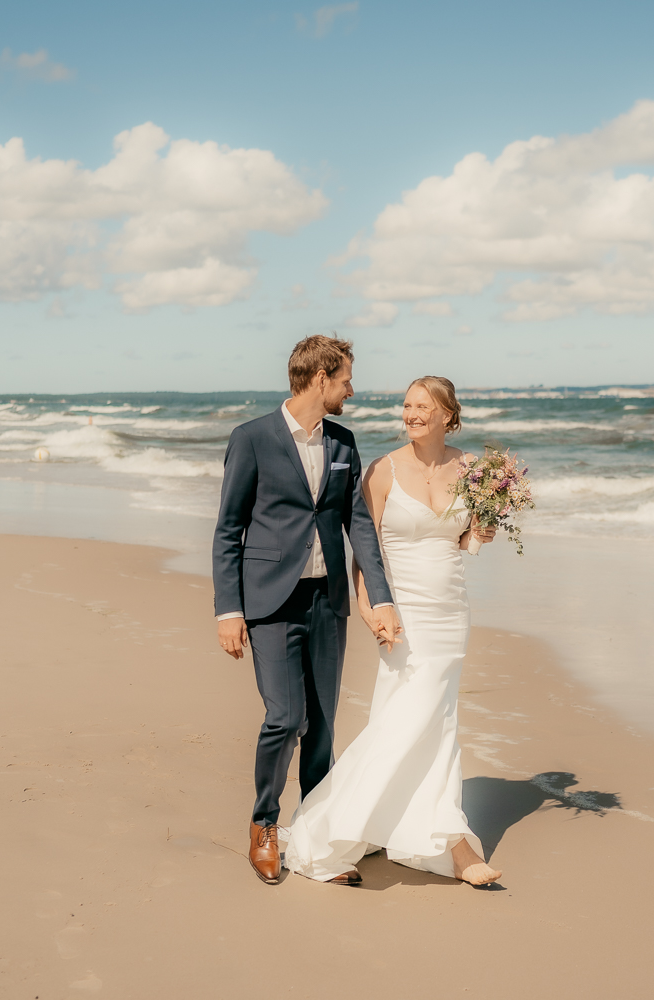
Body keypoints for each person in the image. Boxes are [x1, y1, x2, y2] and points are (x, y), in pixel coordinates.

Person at [282, 376, 502, 887]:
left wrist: (480, 534)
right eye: (407, 405)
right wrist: (371, 608)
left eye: (423, 406)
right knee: (408, 718)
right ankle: (448, 843)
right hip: (403, 613)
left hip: (451, 612)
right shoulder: (382, 470)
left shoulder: (473, 469)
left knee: (436, 718)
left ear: (448, 414)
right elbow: (364, 547)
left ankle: (426, 829)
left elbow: (464, 541)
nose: (411, 414)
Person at [212, 335, 401, 886]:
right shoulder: (251, 439)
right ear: (320, 377)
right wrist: (229, 609)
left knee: (321, 728)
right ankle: (265, 823)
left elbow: (356, 525)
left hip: (326, 601)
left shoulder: (343, 442)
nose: (351, 389)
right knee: (285, 718)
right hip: (269, 600)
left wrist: (381, 595)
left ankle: (318, 837)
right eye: (345, 378)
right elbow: (229, 529)